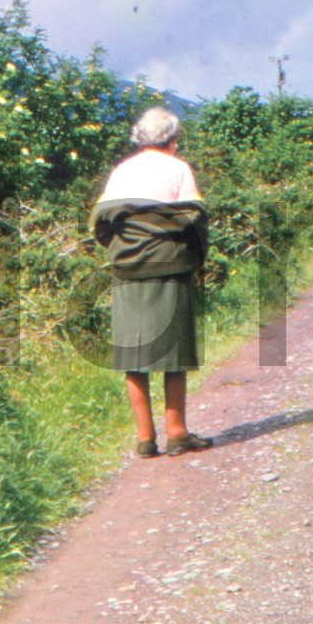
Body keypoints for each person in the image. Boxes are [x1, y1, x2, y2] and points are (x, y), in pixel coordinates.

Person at [91, 106, 213, 458]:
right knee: (175, 352)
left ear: (139, 138)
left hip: (127, 270)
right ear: (172, 140)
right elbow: (195, 220)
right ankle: (177, 433)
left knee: (134, 353)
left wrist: (124, 253)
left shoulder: (121, 170)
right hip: (170, 268)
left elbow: (101, 224)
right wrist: (196, 259)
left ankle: (145, 439)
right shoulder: (178, 168)